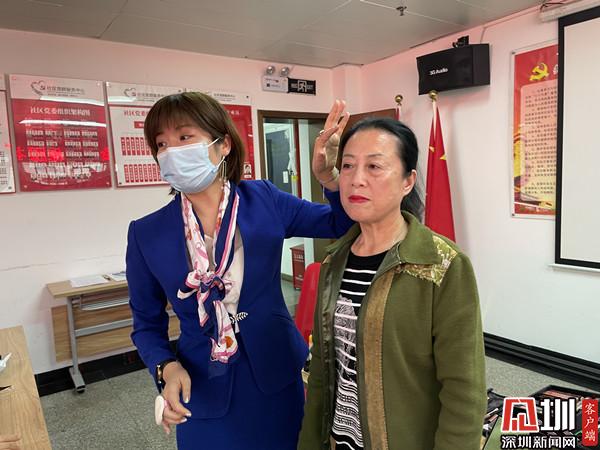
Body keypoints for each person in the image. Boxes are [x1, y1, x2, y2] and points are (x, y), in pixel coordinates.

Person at [126, 92, 353, 450]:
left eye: (184, 137)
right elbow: (145, 324)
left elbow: (340, 223)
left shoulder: (264, 199)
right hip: (201, 383)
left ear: (223, 145)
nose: (171, 151)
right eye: (162, 144)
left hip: (276, 371)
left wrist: (331, 180)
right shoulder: (146, 233)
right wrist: (166, 367)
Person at [298, 118, 487, 450]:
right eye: (348, 166)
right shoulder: (333, 262)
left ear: (407, 181)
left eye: (374, 166)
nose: (356, 179)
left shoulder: (441, 265)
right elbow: (322, 374)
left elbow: (464, 392)